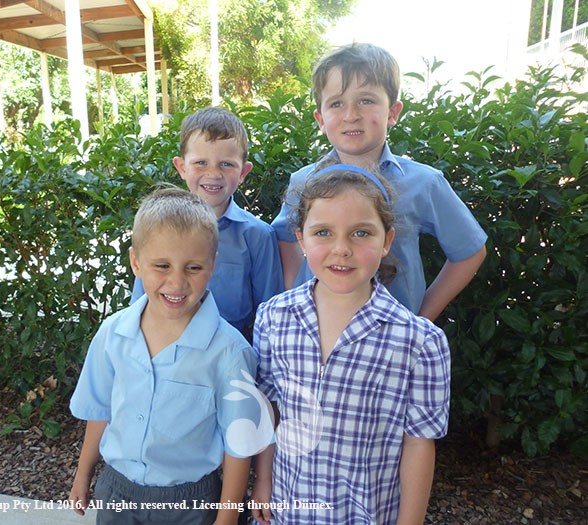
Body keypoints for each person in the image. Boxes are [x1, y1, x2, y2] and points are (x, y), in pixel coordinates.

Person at [250, 166, 451, 525]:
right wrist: (262, 481)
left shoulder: (419, 342)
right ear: (301, 238)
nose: (341, 249)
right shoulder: (273, 318)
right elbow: (269, 410)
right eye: (323, 232)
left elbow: (419, 443)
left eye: (361, 233)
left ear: (386, 240)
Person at [69, 187, 261, 525]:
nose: (176, 282)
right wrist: (83, 473)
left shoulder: (229, 352)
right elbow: (100, 410)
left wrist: (226, 518)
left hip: (191, 504)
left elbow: (238, 442)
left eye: (193, 268)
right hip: (117, 495)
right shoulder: (113, 335)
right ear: (136, 262)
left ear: (212, 265)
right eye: (161, 265)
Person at [272, 43, 487, 320]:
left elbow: (470, 250)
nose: (351, 115)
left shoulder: (424, 183)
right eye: (336, 103)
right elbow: (285, 239)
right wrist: (294, 290)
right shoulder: (302, 181)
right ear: (320, 119)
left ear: (392, 112)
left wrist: (422, 316)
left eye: (366, 100)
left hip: (394, 344)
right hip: (314, 336)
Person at [131, 107, 283, 338]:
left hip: (227, 357)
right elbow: (138, 306)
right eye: (201, 162)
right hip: (163, 349)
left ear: (244, 172)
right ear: (182, 167)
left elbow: (271, 313)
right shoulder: (157, 230)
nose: (213, 174)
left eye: (227, 164)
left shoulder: (258, 236)